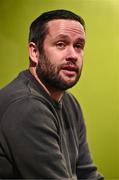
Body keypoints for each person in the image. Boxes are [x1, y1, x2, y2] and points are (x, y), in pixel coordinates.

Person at [0, 9, 104, 179]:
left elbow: (87, 174)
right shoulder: (25, 106)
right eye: (61, 44)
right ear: (35, 52)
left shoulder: (70, 102)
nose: (73, 55)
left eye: (78, 46)